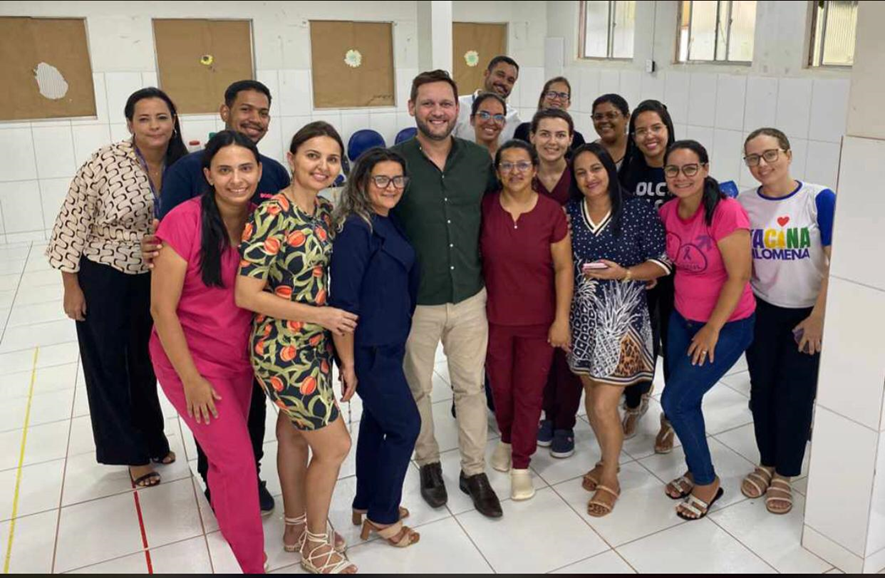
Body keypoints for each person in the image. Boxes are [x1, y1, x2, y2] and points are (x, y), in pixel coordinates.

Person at [143, 79, 288, 513]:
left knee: (252, 409)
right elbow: (167, 234)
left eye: (262, 112)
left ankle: (248, 473)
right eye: (245, 109)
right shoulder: (187, 171)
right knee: (211, 410)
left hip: (251, 325)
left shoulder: (274, 172)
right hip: (202, 325)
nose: (254, 119)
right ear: (224, 112)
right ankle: (217, 476)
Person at [46, 87, 186, 488]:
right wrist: (71, 286)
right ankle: (129, 453)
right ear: (130, 124)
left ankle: (152, 438)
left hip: (156, 277)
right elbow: (71, 222)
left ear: (173, 121)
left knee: (146, 361)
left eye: (162, 117)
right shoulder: (105, 162)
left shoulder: (184, 165)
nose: (154, 126)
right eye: (144, 119)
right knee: (109, 364)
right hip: (104, 274)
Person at [236, 122, 358, 574]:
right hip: (282, 350)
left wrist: (341, 353)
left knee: (292, 433)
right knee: (335, 446)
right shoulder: (273, 213)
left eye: (331, 158)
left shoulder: (323, 211)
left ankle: (295, 527)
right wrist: (320, 317)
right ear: (291, 158)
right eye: (312, 155)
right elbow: (246, 293)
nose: (322, 166)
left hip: (313, 346)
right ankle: (315, 544)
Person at [149, 131, 265, 573]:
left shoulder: (264, 217)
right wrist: (191, 380)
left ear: (259, 171)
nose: (237, 179)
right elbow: (161, 309)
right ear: (208, 175)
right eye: (225, 169)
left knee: (226, 458)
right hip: (189, 360)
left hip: (240, 359)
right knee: (237, 462)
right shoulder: (183, 221)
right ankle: (251, 562)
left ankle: (232, 532)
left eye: (246, 168)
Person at [392, 69, 503, 518]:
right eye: (428, 103)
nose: (437, 112)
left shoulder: (478, 160)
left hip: (470, 295)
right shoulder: (394, 163)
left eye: (445, 103)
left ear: (458, 110)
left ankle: (474, 470)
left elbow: (498, 214)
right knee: (417, 388)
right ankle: (429, 464)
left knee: (470, 388)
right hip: (416, 300)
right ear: (412, 107)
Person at [567, 143, 670, 517]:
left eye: (596, 169)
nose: (590, 178)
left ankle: (610, 476)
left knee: (603, 403)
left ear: (609, 170)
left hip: (622, 322)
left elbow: (662, 263)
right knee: (591, 396)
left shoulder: (638, 211)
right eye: (581, 172)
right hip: (582, 321)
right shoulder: (568, 214)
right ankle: (605, 459)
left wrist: (626, 273)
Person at [737, 128, 834, 515]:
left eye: (770, 155)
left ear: (788, 155)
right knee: (762, 389)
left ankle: (786, 472)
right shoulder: (744, 203)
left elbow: (836, 263)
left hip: (808, 313)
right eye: (753, 158)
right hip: (762, 311)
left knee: (796, 393)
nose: (762, 164)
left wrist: (818, 318)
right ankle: (767, 460)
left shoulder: (818, 198)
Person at [329, 147, 422, 547]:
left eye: (398, 179)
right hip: (368, 349)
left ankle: (366, 501)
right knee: (406, 426)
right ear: (362, 182)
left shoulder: (386, 218)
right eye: (381, 179)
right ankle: (384, 517)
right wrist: (348, 364)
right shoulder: (356, 229)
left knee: (378, 422)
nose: (391, 186)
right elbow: (343, 304)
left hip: (389, 343)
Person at [659, 140, 756, 521]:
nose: (681, 177)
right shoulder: (667, 211)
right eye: (673, 170)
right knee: (686, 399)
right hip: (681, 320)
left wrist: (712, 329)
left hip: (727, 324)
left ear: (705, 168)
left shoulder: (725, 212)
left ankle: (706, 481)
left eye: (690, 168)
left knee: (676, 401)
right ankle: (694, 467)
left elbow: (739, 275)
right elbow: (670, 261)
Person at [482, 140, 572, 500]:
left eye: (522, 165)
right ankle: (506, 438)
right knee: (501, 389)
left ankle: (521, 462)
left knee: (529, 392)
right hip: (494, 319)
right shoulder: (486, 207)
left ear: (535, 170)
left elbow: (564, 268)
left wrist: (561, 318)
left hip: (538, 321)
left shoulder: (551, 213)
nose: (515, 172)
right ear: (497, 172)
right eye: (507, 165)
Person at [618, 100, 678, 451]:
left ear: (668, 128)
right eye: (640, 130)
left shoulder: (681, 167)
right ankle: (634, 400)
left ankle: (671, 415)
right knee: (636, 340)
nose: (649, 136)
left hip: (678, 277)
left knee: (674, 344)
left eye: (656, 127)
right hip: (638, 272)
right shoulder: (629, 171)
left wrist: (662, 265)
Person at [529, 108, 583, 458]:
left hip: (575, 275)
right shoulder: (523, 174)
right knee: (540, 349)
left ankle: (565, 423)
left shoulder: (581, 175)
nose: (552, 141)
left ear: (570, 139)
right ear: (532, 137)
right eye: (545, 133)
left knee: (568, 350)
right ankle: (546, 415)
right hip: (532, 277)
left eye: (560, 135)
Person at [454, 56, 521, 145]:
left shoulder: (513, 119)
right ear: (487, 73)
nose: (504, 82)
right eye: (500, 75)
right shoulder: (459, 106)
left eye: (510, 80)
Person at [513, 77, 586, 153]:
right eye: (551, 94)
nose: (557, 99)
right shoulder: (523, 130)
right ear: (542, 99)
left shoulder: (577, 139)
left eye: (563, 95)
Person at [591, 94, 631, 168]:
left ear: (626, 117)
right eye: (598, 117)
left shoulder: (638, 149)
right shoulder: (589, 152)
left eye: (611, 115)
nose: (604, 121)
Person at [470, 92, 508, 158]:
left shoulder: (509, 158)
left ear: (504, 123)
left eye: (498, 117)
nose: (491, 122)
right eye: (484, 115)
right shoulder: (461, 158)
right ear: (472, 119)